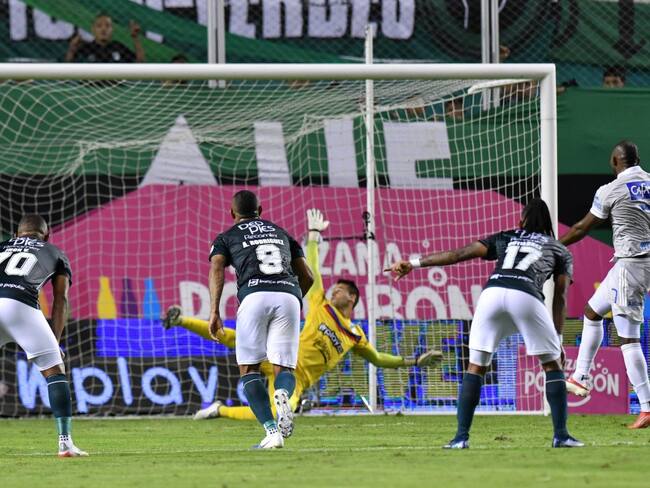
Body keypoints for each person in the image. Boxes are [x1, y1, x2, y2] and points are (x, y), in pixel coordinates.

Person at [164, 209, 442, 421]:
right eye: (334, 289)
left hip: (299, 380)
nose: (334, 292)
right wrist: (313, 235)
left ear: (352, 298)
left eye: (340, 290)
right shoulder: (322, 305)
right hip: (280, 355)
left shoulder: (355, 335)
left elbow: (378, 359)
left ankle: (219, 410)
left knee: (278, 413)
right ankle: (180, 320)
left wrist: (415, 361)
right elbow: (312, 270)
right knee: (232, 337)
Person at [386, 199, 583, 449]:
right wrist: (557, 337)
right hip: (527, 297)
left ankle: (460, 438)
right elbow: (561, 296)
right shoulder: (559, 249)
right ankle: (561, 435)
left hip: (492, 295)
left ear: (520, 221)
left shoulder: (506, 237)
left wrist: (414, 263)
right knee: (552, 365)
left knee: (476, 367)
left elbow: (458, 254)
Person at [208, 190, 313, 449]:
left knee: (249, 370)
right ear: (261, 210)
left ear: (232, 213)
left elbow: (217, 267)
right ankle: (282, 393)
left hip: (254, 295)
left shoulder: (227, 236)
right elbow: (308, 277)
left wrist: (214, 311)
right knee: (284, 368)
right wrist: (291, 298)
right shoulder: (282, 233)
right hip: (288, 295)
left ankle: (271, 432)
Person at [560, 140, 650, 429]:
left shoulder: (610, 189)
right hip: (637, 261)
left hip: (631, 264)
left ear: (614, 161)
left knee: (629, 339)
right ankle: (580, 376)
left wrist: (555, 246)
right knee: (592, 312)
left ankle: (647, 407)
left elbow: (581, 228)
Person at [0, 215, 86, 457]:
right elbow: (61, 299)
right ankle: (65, 443)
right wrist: (55, 342)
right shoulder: (55, 252)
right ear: (46, 236)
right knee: (54, 372)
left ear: (15, 235)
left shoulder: (2, 246)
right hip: (21, 305)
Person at [65, 13, 144, 63]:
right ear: (93, 30)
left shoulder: (118, 46)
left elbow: (140, 62)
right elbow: (68, 66)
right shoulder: (86, 47)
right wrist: (72, 49)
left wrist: (135, 38)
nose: (103, 29)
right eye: (99, 26)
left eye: (107, 26)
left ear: (112, 30)